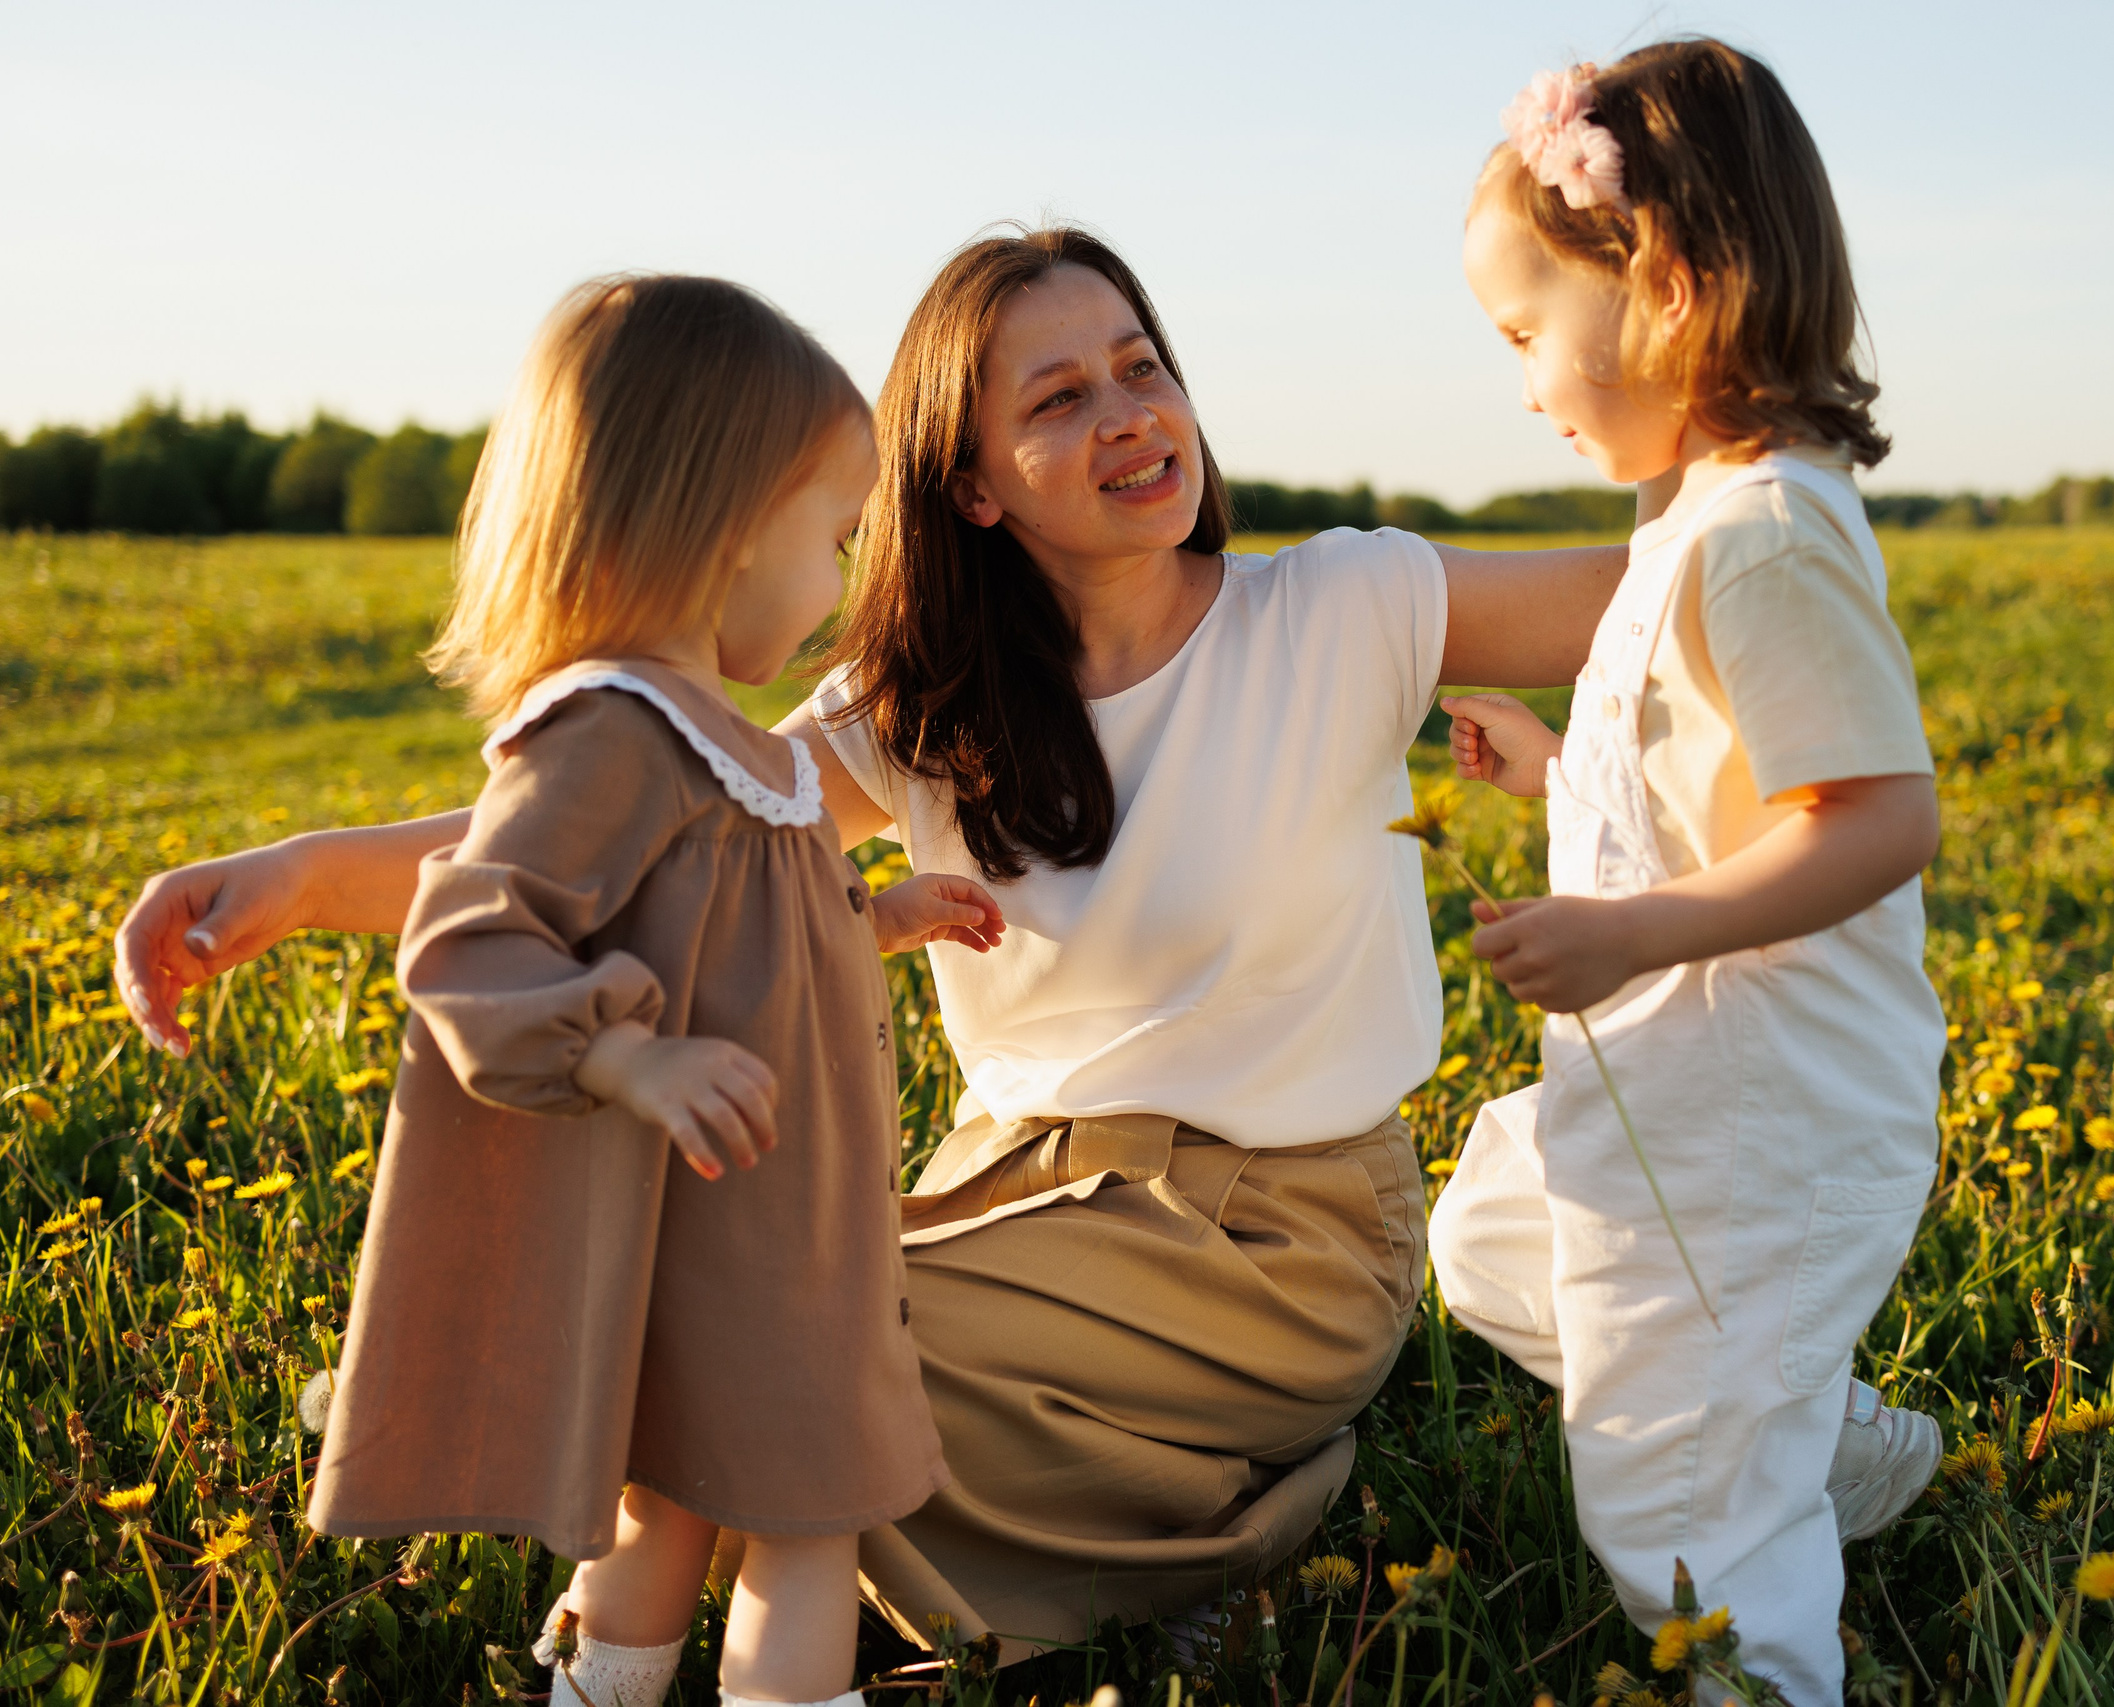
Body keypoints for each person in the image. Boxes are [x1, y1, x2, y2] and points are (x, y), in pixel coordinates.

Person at [116, 227, 1939, 1667]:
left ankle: (1208, 1524)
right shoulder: (922, 710)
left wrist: (1725, 358)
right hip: (1008, 1202)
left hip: (1288, 1232)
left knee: (778, 1368)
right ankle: (823, 1546)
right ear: (974, 484)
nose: (1129, 413)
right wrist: (286, 879)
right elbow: (581, 830)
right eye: (1057, 399)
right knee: (736, 1319)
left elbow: (1690, 573)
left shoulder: (1346, 607)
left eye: (1142, 367)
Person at [301, 273, 998, 1707]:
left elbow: (737, 950)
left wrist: (874, 922)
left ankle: (597, 1692)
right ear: (735, 530)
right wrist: (622, 1061)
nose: (848, 577)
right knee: (802, 1525)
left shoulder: (722, 740)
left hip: (774, 1231)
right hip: (728, 1244)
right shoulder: (608, 728)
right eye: (836, 535)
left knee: (673, 1500)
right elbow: (468, 942)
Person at [1430, 43, 1946, 1705]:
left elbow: (1874, 818)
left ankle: (1763, 1624)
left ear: (1656, 282)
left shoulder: (1770, 536)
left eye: (1527, 336)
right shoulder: (1696, 521)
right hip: (1668, 1085)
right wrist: (1561, 768)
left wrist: (1635, 929)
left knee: (1669, 1503)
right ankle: (1807, 1431)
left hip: (1757, 1112)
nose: (1524, 387)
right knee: (1495, 1243)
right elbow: (1703, 775)